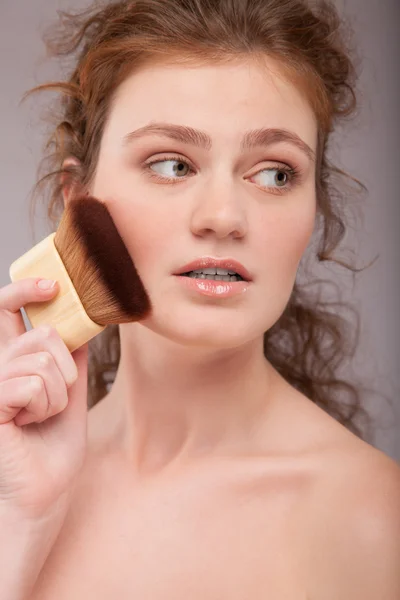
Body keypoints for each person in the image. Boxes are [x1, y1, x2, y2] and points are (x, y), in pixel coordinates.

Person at [1, 0, 399, 598]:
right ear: (76, 199)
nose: (223, 217)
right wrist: (18, 525)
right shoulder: (14, 485)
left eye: (275, 174)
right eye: (171, 164)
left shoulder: (374, 523)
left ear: (314, 209)